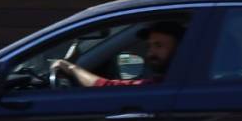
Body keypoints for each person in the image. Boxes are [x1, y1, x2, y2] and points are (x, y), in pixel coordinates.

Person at [53, 20, 182, 90]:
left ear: (179, 48)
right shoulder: (170, 81)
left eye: (159, 45)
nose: (150, 53)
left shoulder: (169, 84)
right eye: (149, 46)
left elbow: (105, 88)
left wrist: (71, 68)